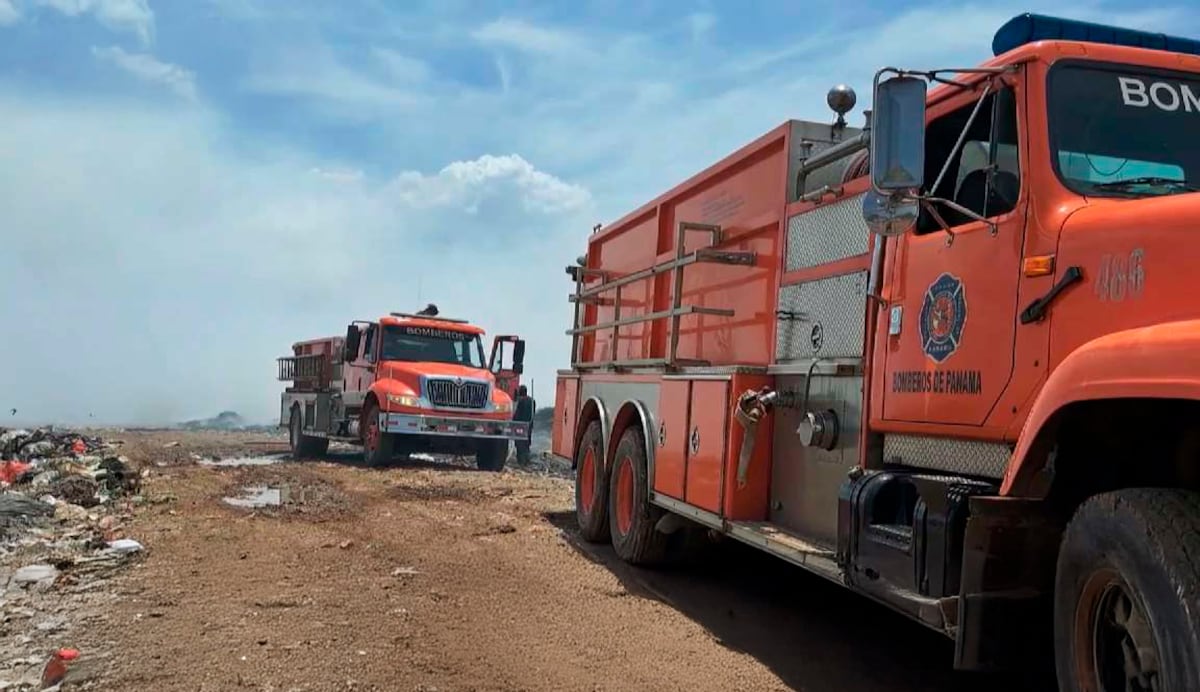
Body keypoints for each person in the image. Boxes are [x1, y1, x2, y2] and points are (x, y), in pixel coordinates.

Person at [513, 385, 535, 465]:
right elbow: (533, 413)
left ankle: (521, 461)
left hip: (520, 425)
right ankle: (527, 459)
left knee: (519, 443)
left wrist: (513, 421)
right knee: (527, 442)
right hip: (529, 425)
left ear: (520, 392)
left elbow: (517, 414)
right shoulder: (532, 401)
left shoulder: (521, 401)